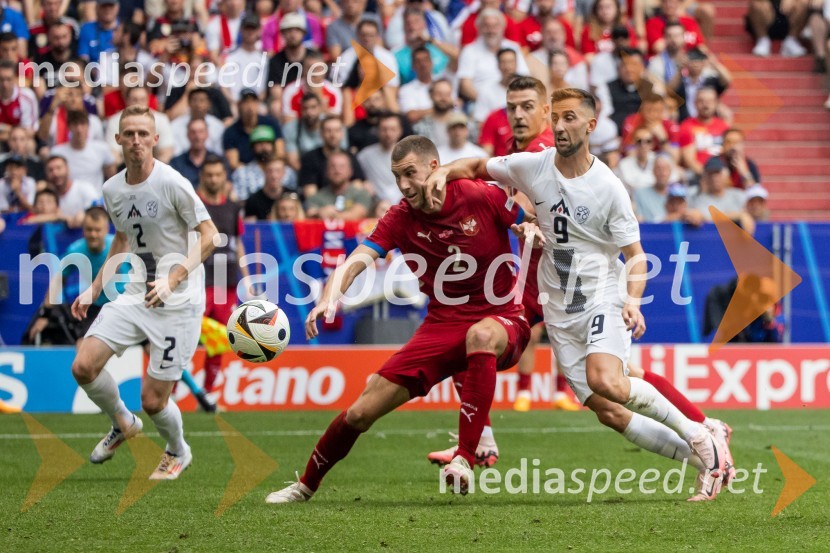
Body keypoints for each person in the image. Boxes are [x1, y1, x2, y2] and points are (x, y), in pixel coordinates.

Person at [425, 88, 729, 501]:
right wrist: (445, 172)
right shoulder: (534, 166)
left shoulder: (608, 187)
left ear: (590, 125)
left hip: (602, 296)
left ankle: (701, 435)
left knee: (609, 379)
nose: (561, 126)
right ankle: (709, 461)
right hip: (559, 309)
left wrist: (633, 300)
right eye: (558, 118)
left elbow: (636, 256)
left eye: (571, 118)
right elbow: (478, 165)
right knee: (608, 409)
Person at [265, 135, 532, 503]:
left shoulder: (478, 194)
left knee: (481, 336)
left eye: (410, 173)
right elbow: (360, 256)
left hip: (502, 318)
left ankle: (465, 459)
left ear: (434, 168)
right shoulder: (401, 216)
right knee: (360, 412)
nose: (404, 185)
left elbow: (529, 220)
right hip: (441, 326)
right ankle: (305, 485)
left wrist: (530, 228)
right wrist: (329, 295)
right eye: (397, 177)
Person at [70, 104, 217, 480]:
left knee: (154, 401)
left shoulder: (172, 183)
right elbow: (121, 238)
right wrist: (93, 288)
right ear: (118, 140)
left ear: (155, 139)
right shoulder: (112, 188)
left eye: (142, 134)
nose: (136, 141)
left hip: (178, 301)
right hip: (137, 292)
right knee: (83, 366)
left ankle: (177, 450)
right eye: (129, 134)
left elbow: (210, 236)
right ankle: (122, 421)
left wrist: (173, 278)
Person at [27, 207, 123, 346]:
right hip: (95, 308)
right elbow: (58, 281)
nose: (93, 234)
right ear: (83, 230)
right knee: (81, 347)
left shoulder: (119, 247)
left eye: (97, 230)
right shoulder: (75, 251)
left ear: (106, 229)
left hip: (123, 305)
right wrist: (45, 315)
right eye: (89, 229)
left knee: (147, 343)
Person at [197, 155, 248, 396]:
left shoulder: (233, 208)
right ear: (202, 177)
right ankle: (170, 390)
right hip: (200, 280)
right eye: (209, 175)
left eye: (218, 174)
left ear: (225, 178)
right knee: (186, 334)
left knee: (218, 340)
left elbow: (238, 244)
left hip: (225, 282)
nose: (213, 179)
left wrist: (246, 278)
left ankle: (207, 393)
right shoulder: (195, 206)